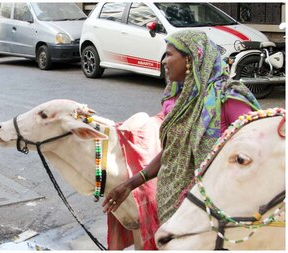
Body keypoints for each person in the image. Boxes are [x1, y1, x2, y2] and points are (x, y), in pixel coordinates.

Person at [102, 30, 261, 238]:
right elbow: (172, 152)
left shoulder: (227, 97)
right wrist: (130, 184)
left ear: (190, 58)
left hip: (216, 209)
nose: (164, 61)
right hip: (171, 203)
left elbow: (257, 151)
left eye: (169, 54)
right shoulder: (175, 98)